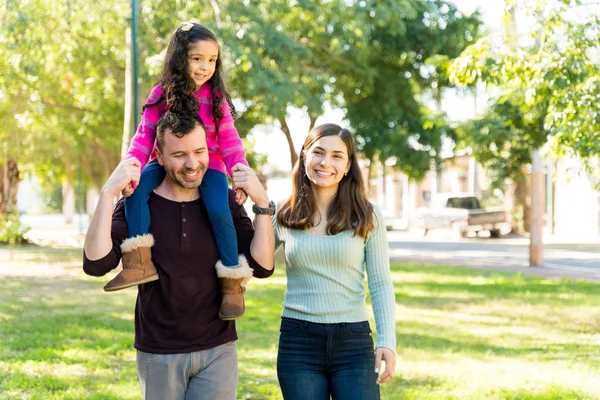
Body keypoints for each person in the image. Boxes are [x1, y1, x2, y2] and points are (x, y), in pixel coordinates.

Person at [83, 111, 275, 400]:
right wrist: (108, 194)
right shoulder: (139, 203)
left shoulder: (222, 201)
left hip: (218, 350)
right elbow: (96, 264)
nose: (192, 164)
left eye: (199, 151)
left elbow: (262, 266)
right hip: (158, 352)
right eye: (180, 154)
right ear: (158, 155)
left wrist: (261, 203)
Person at [105, 21, 251, 321]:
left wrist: (241, 175)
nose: (204, 67)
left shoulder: (217, 98)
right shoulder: (162, 93)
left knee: (219, 209)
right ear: (180, 58)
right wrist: (133, 167)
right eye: (197, 58)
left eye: (212, 60)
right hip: (166, 164)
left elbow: (230, 141)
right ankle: (139, 262)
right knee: (136, 192)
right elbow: (144, 135)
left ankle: (232, 283)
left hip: (208, 166)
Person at [273, 123, 396, 399]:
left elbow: (380, 283)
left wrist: (387, 340)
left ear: (348, 164)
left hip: (353, 344)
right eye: (318, 152)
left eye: (337, 155)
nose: (326, 162)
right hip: (298, 343)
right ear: (304, 155)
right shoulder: (282, 211)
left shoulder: (367, 214)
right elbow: (254, 265)